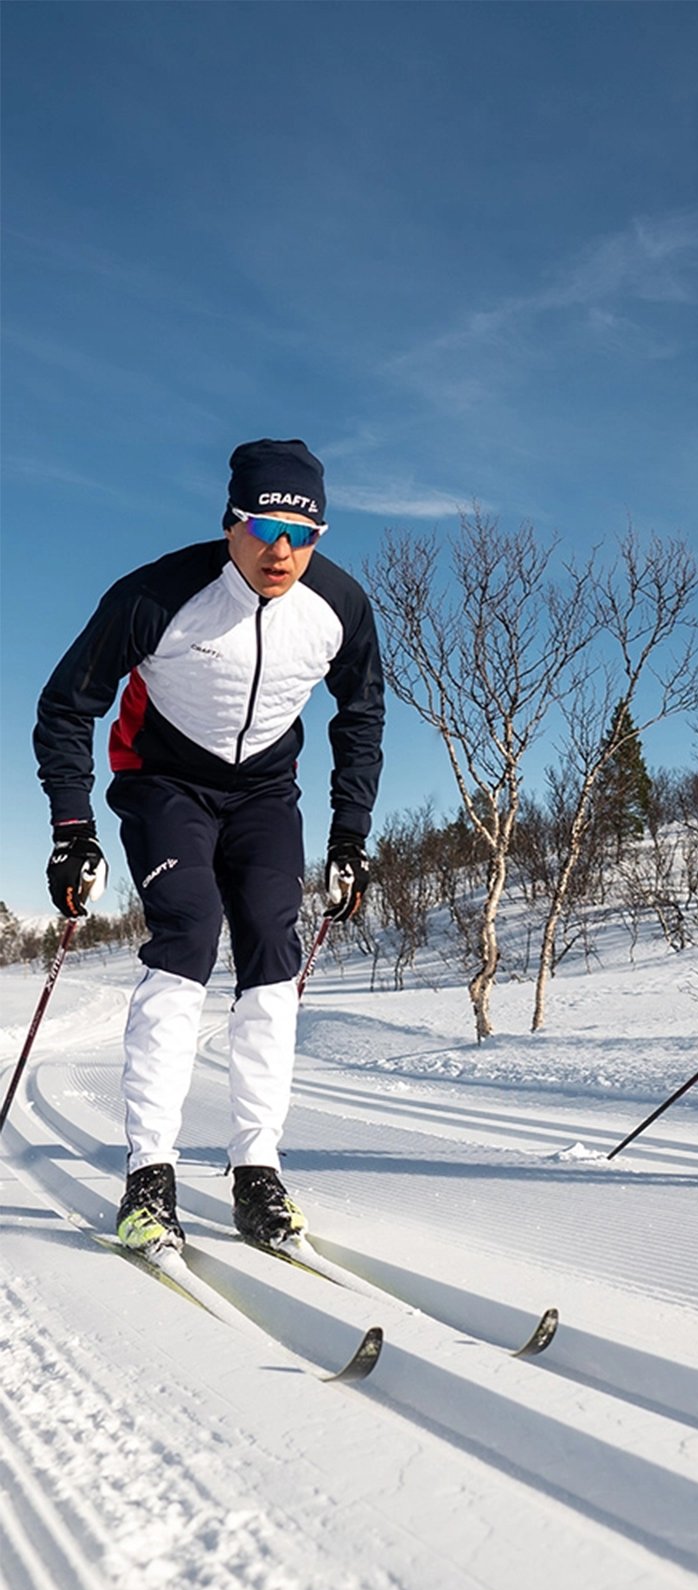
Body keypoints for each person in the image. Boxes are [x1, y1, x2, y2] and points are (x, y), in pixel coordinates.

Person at [34, 439, 385, 1253]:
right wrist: (71, 828)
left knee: (271, 943)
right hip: (164, 780)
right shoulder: (159, 595)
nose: (283, 551)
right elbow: (66, 705)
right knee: (189, 931)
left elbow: (360, 717)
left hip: (265, 789)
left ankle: (257, 1170)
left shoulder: (340, 607)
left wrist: (350, 836)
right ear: (233, 522)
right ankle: (149, 1174)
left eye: (305, 533)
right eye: (266, 528)